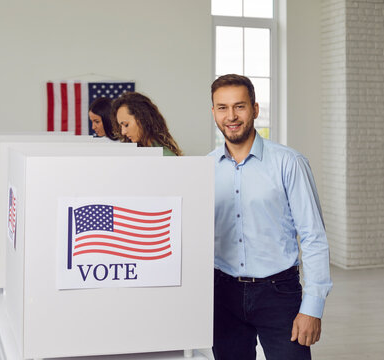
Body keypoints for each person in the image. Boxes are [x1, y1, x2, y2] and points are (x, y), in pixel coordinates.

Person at [209, 74, 332, 359]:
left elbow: (314, 237)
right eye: (223, 107)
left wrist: (312, 308)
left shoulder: (289, 163)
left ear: (255, 108)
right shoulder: (206, 168)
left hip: (278, 293)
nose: (231, 116)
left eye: (239, 106)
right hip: (222, 293)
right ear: (213, 112)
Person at [111, 92, 182, 156]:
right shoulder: (136, 150)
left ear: (143, 119)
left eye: (126, 125)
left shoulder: (165, 155)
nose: (123, 132)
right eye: (121, 126)